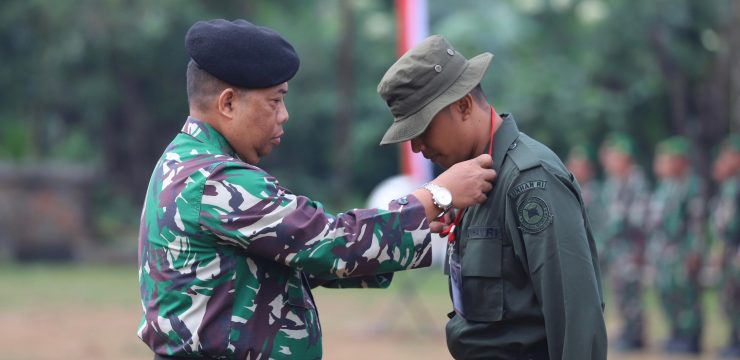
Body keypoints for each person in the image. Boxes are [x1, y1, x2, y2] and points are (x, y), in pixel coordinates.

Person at [137, 19, 497, 360]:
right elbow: (326, 242)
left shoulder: (189, 164)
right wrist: (436, 196)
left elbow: (294, 260)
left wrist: (416, 229)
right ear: (228, 102)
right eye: (274, 101)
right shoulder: (215, 180)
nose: (284, 115)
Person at [376, 35, 607, 360]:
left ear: (464, 106)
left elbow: (576, 318)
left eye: (422, 129)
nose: (416, 147)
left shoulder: (529, 181)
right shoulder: (471, 182)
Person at [647, 136, 706, 354]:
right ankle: (677, 333)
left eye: (667, 160)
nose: (662, 164)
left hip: (683, 249)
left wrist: (694, 252)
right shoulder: (666, 186)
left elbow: (696, 223)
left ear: (681, 161)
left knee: (687, 295)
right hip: (666, 251)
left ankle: (691, 338)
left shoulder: (692, 185)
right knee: (668, 292)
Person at [597, 132, 650, 351]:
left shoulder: (636, 181)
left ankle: (636, 334)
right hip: (617, 249)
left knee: (632, 293)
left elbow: (640, 219)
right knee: (619, 292)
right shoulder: (613, 183)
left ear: (625, 157)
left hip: (631, 247)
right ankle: (628, 330)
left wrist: (640, 249)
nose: (608, 162)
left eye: (613, 157)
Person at [710, 134, 740, 358]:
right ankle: (734, 339)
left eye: (729, 156)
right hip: (730, 251)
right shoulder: (730, 185)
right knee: (730, 298)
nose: (724, 161)